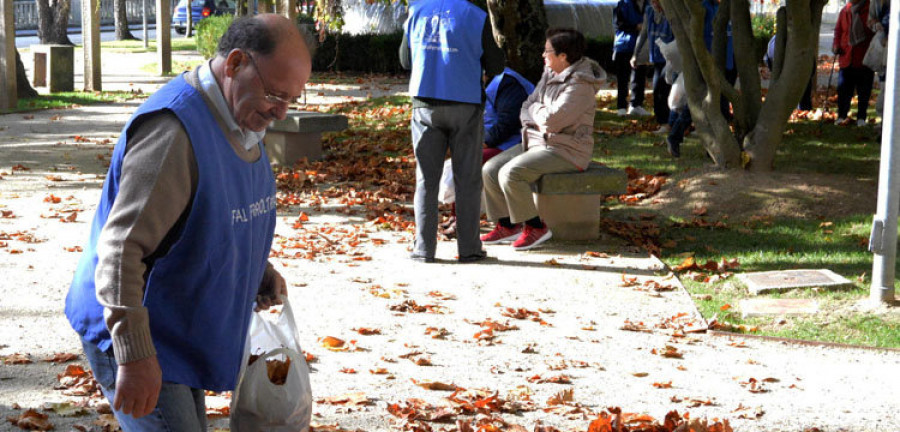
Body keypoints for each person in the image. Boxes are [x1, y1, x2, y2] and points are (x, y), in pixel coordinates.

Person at [65, 14, 309, 429]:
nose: (281, 113)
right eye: (274, 94)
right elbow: (122, 249)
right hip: (142, 333)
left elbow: (207, 210)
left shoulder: (242, 116)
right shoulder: (174, 132)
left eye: (292, 100)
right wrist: (135, 353)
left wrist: (254, 271)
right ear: (235, 64)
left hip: (180, 328)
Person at [481, 28, 606, 250]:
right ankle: (508, 225)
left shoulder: (580, 86)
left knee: (511, 173)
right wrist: (539, 110)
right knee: (490, 169)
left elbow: (552, 121)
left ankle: (536, 227)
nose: (542, 55)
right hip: (538, 142)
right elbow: (526, 105)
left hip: (567, 150)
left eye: (547, 51)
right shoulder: (550, 72)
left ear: (563, 56)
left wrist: (536, 110)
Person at [399, 0, 504, 263]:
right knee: (467, 179)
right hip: (465, 103)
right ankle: (469, 249)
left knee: (426, 179)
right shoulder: (476, 16)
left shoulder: (416, 11)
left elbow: (403, 59)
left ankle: (424, 248)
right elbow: (496, 66)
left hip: (425, 101)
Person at [440, 68, 534, 238]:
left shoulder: (508, 83)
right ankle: (458, 216)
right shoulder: (482, 82)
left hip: (516, 142)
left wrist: (482, 142)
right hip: (497, 140)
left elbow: (509, 122)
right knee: (462, 158)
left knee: (469, 162)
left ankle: (465, 221)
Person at [632, 0, 674, 133]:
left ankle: (669, 122)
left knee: (665, 88)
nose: (654, 3)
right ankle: (662, 121)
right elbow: (643, 33)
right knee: (657, 89)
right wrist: (635, 54)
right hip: (657, 58)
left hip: (672, 59)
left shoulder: (673, 12)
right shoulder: (650, 11)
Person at [833, 0, 876, 126]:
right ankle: (841, 115)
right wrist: (836, 45)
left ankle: (861, 117)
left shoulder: (870, 10)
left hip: (864, 57)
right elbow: (838, 30)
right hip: (846, 56)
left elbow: (874, 32)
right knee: (843, 89)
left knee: (864, 90)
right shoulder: (845, 10)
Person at [613, 0, 651, 117]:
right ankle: (621, 106)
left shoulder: (649, 4)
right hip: (624, 45)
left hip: (641, 46)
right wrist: (636, 27)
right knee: (623, 77)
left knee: (639, 76)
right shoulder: (623, 4)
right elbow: (618, 23)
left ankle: (636, 105)